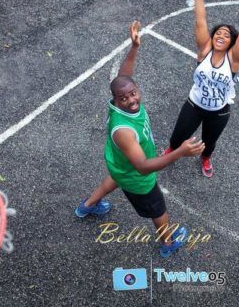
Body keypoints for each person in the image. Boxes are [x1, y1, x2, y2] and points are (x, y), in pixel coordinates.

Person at [75, 20, 205, 257]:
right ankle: (168, 243)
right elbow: (144, 167)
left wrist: (134, 47)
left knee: (114, 179)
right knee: (158, 210)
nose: (131, 100)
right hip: (137, 177)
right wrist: (180, 152)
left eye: (133, 93)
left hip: (119, 165)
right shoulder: (124, 130)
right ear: (116, 100)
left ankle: (87, 206)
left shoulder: (119, 98)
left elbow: (124, 75)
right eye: (125, 98)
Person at [163, 0, 239, 177]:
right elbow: (200, 20)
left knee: (209, 143)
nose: (221, 35)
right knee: (176, 138)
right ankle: (171, 152)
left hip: (219, 111)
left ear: (231, 42)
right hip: (194, 105)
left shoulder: (234, 60)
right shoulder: (204, 52)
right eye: (218, 33)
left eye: (227, 35)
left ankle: (206, 158)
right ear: (212, 38)